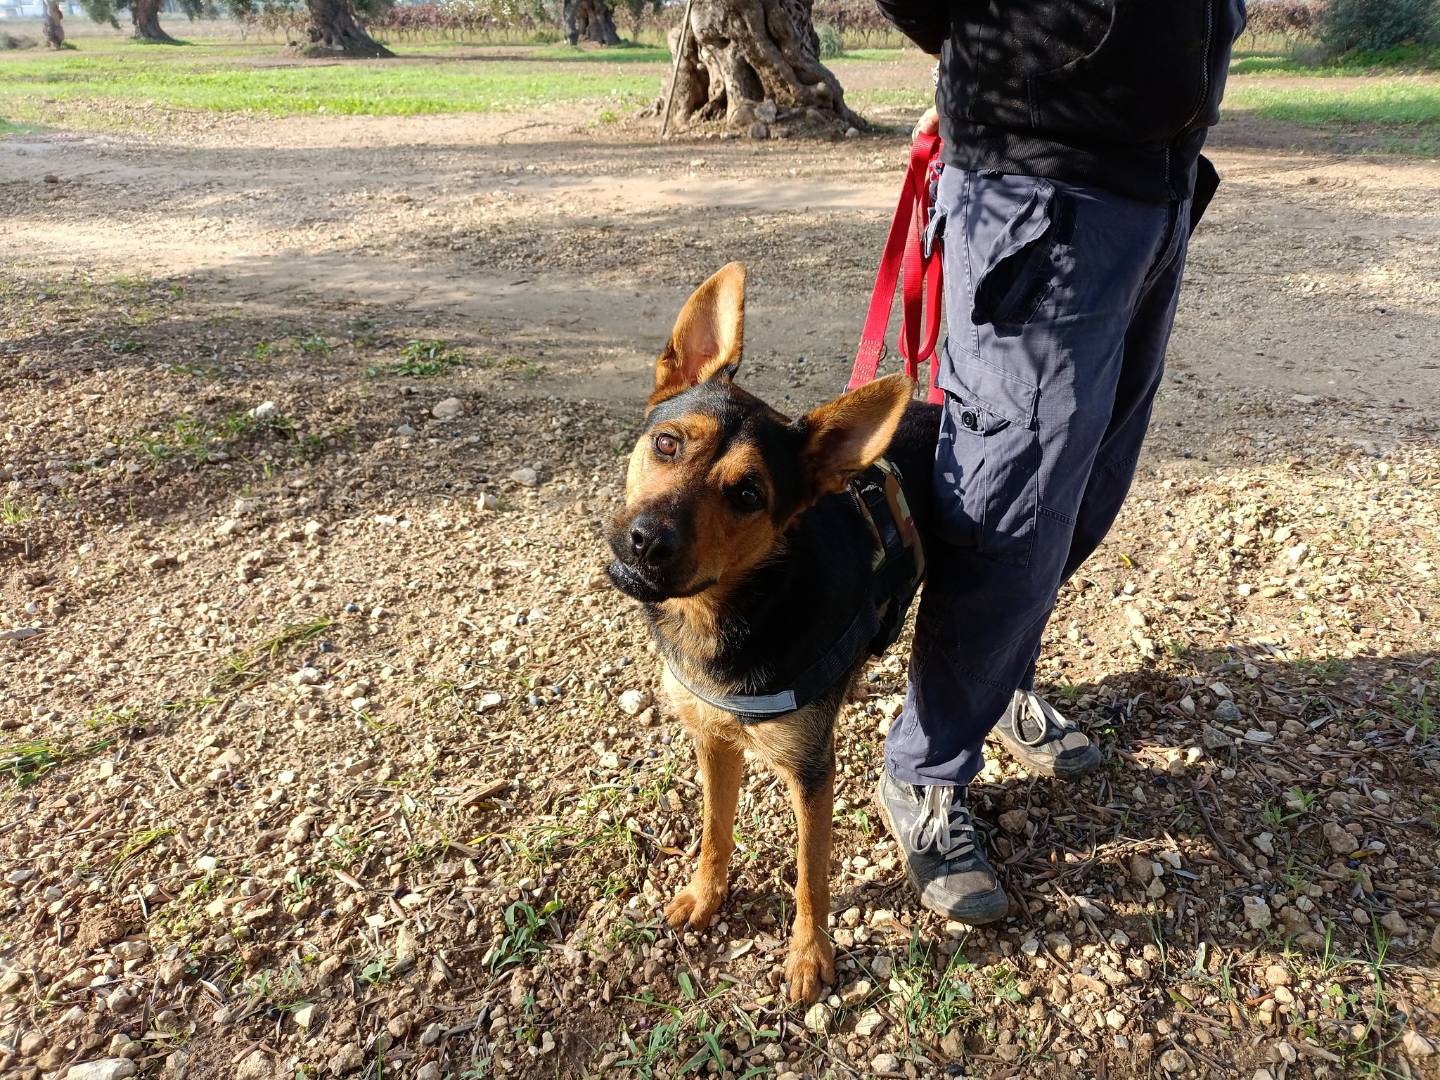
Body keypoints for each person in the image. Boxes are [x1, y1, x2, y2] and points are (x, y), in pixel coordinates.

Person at [872, 1, 1247, 923]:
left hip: (1154, 191)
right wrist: (989, 62)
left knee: (1083, 487)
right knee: (1010, 503)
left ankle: (997, 683)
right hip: (1039, 189)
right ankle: (924, 770)